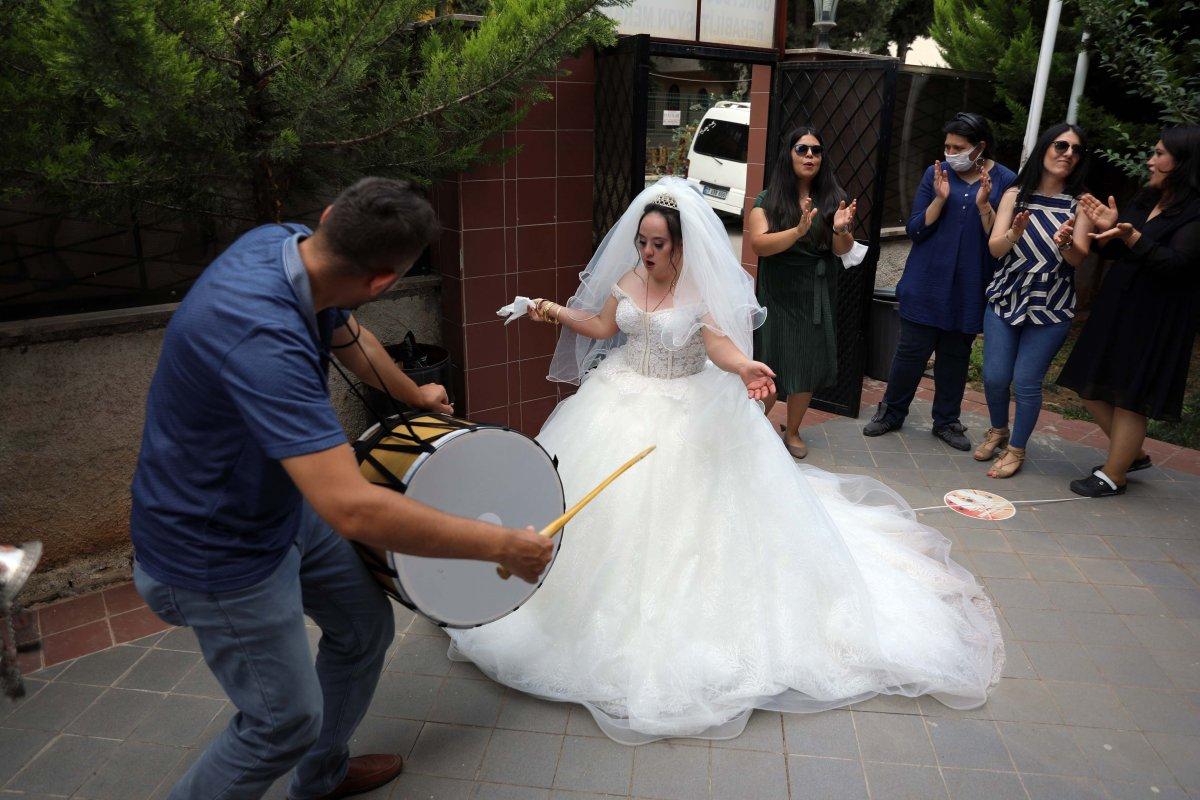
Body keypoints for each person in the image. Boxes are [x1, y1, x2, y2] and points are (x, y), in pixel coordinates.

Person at [457, 177, 1004, 745]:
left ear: (681, 245)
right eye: (642, 242)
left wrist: (744, 366)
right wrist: (545, 309)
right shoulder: (630, 279)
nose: (647, 252)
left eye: (658, 244)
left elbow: (717, 344)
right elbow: (600, 326)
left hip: (686, 412)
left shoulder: (698, 289)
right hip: (618, 398)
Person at [130, 177, 554, 800]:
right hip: (215, 549)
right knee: (279, 725)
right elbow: (351, 508)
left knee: (362, 628)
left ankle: (321, 778)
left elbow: (350, 338)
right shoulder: (263, 339)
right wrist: (500, 545)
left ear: (330, 217)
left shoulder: (286, 246)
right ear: (383, 281)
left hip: (278, 509)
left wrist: (417, 397)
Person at [1057, 126, 1200, 497]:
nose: (1150, 161)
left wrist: (1132, 236)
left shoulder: (1195, 211)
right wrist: (1106, 231)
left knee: (1129, 397)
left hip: (1156, 317)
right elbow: (1119, 249)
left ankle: (1114, 475)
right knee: (1089, 385)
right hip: (1118, 306)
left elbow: (1178, 264)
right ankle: (1131, 454)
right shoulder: (1148, 197)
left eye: (1160, 154)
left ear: (1183, 162)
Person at [864, 112, 1017, 450]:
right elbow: (915, 229)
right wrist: (939, 198)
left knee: (955, 357)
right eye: (947, 146)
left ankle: (946, 421)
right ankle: (891, 412)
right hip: (926, 281)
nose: (950, 153)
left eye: (958, 148)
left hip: (970, 285)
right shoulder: (936, 174)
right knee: (910, 353)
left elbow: (999, 240)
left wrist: (983, 205)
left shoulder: (1006, 180)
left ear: (979, 147)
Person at [977, 123, 1092, 478]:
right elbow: (995, 249)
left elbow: (1078, 258)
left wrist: (1065, 242)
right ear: (1044, 148)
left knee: (1026, 381)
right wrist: (1014, 232)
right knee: (995, 377)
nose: (1068, 154)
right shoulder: (1015, 195)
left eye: (1076, 150)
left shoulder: (1080, 203)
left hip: (1051, 304)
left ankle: (1016, 449)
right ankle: (998, 430)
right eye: (1061, 146)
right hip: (1006, 296)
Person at [749, 127, 861, 458]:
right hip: (779, 294)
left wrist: (841, 229)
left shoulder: (833, 198)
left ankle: (794, 430)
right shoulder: (768, 200)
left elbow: (842, 250)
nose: (810, 155)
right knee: (769, 363)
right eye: (802, 149)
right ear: (789, 154)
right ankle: (752, 428)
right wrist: (797, 231)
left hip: (815, 293)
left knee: (807, 364)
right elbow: (759, 245)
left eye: (816, 150)